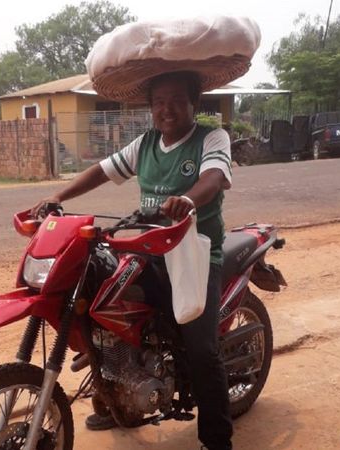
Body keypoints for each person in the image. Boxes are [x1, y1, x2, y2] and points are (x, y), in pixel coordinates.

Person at [31, 71, 233, 450]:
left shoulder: (212, 137)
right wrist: (59, 196)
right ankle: (114, 399)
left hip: (196, 255)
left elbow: (213, 178)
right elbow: (103, 171)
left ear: (194, 103)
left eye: (175, 99)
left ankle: (217, 439)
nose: (166, 109)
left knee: (203, 350)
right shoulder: (147, 143)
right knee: (103, 310)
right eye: (158, 102)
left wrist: (188, 200)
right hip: (150, 250)